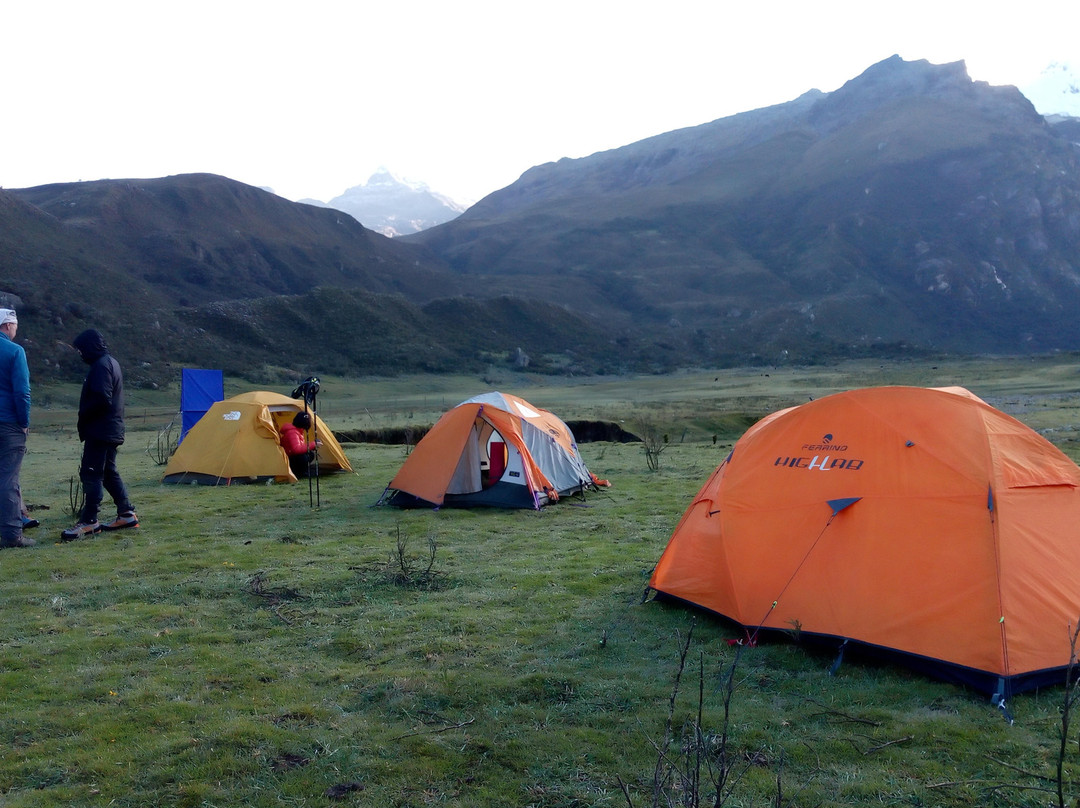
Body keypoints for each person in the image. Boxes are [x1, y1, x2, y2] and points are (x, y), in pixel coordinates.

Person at [61, 329, 138, 541]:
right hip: (110, 429)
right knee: (108, 472)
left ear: (89, 347)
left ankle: (89, 521)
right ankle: (126, 514)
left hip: (100, 430)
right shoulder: (110, 362)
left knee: (91, 473)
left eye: (80, 350)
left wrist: (84, 414)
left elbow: (102, 398)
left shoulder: (101, 366)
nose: (80, 354)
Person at [0, 308, 33, 549]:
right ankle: (12, 534)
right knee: (8, 479)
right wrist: (24, 422)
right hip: (8, 423)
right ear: (7, 325)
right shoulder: (14, 351)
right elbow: (22, 392)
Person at [280, 411, 318, 479]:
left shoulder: (297, 431)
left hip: (291, 457)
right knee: (303, 457)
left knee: (310, 454)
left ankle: (302, 471)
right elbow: (296, 449)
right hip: (289, 458)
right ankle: (300, 472)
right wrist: (313, 444)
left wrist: (312, 446)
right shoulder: (292, 432)